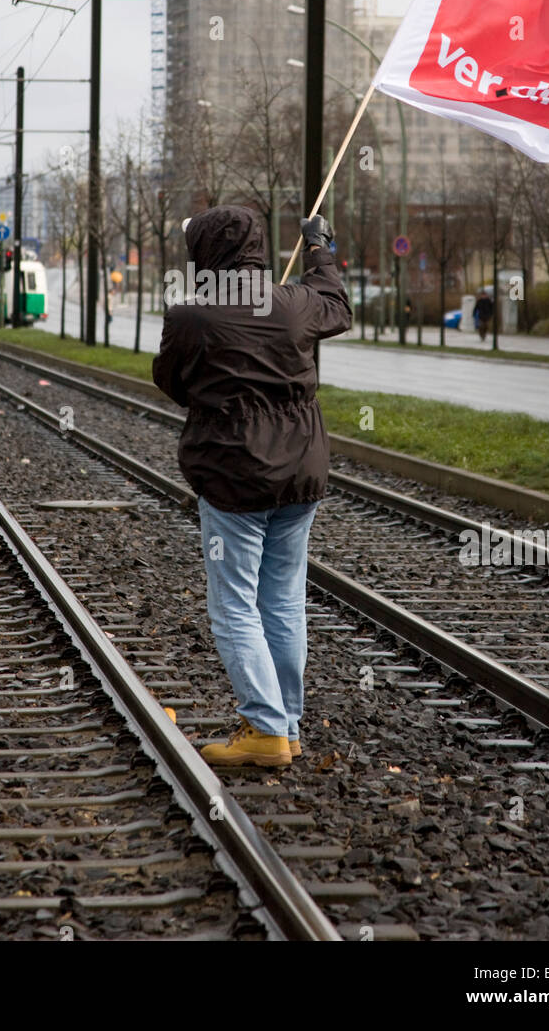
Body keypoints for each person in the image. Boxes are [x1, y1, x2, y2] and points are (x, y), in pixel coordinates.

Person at [152, 205, 352, 768]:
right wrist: (319, 248)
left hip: (233, 474)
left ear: (207, 256)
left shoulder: (191, 315)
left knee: (235, 602)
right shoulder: (292, 304)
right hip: (301, 472)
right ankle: (285, 726)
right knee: (284, 597)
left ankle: (265, 728)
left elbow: (171, 381)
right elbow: (336, 304)